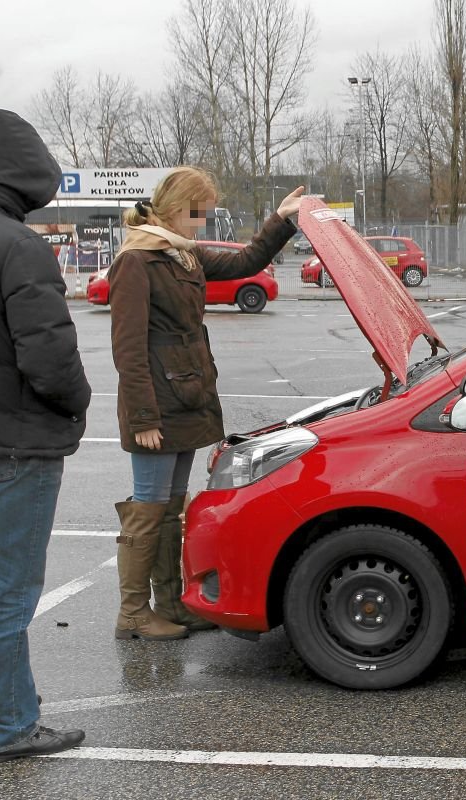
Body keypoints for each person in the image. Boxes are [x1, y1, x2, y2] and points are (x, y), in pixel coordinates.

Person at [108, 167, 302, 641]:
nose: (205, 219)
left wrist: (281, 220)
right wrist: (142, 417)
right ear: (178, 206)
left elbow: (246, 263)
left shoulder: (183, 256)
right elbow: (128, 348)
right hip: (157, 405)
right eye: (201, 211)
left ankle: (171, 605)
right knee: (149, 507)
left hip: (186, 397)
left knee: (171, 508)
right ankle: (133, 613)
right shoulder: (138, 261)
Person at [0, 109, 91, 763]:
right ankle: (4, 725)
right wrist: (75, 406)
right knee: (7, 589)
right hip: (16, 447)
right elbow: (50, 361)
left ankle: (5, 704)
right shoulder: (18, 245)